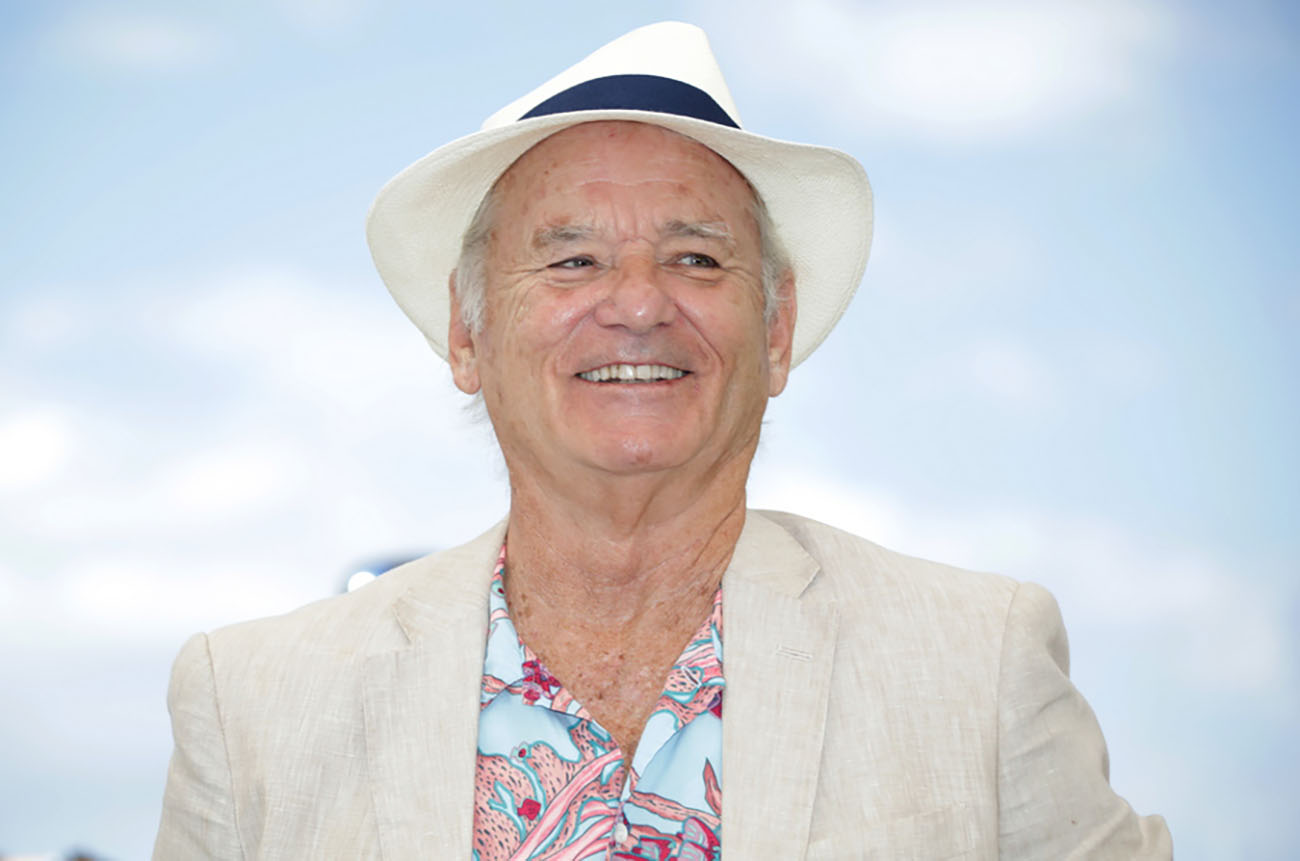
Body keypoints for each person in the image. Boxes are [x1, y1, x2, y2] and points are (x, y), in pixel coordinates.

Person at [153, 22, 1171, 859]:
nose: (637, 304)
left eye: (694, 257)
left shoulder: (976, 661)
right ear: (469, 336)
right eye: (572, 261)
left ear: (772, 331)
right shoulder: (251, 704)